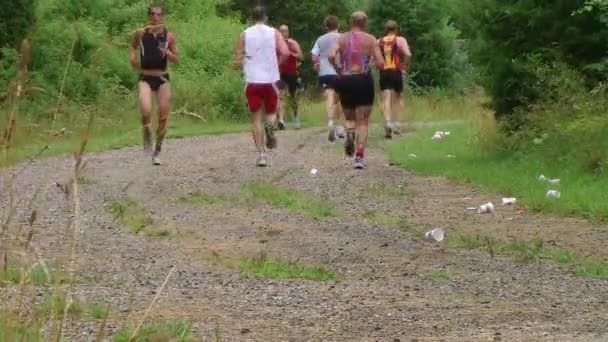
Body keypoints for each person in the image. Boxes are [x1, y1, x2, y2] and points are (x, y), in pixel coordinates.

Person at [233, 6, 289, 167]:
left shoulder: (244, 34)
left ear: (252, 18)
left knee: (256, 118)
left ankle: (261, 154)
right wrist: (276, 65)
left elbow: (237, 59)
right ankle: (270, 126)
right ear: (265, 17)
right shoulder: (275, 33)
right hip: (270, 80)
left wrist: (239, 65)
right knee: (271, 112)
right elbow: (285, 52)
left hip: (252, 81)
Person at [330, 11, 383, 169]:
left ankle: (350, 134)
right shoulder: (371, 39)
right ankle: (359, 156)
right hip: (363, 79)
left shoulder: (342, 38)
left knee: (350, 117)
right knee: (364, 120)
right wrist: (372, 64)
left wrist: (338, 67)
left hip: (346, 79)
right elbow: (380, 62)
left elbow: (331, 55)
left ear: (350, 22)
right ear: (364, 23)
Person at [129, 5, 178, 166]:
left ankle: (157, 150)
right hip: (145, 77)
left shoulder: (169, 35)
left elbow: (176, 58)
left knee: (163, 116)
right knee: (146, 110)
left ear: (163, 16)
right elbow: (133, 47)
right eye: (152, 14)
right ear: (148, 15)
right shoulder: (141, 33)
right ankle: (147, 130)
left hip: (162, 78)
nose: (155, 17)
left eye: (158, 14)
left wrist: (168, 54)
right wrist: (133, 58)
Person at [311, 15, 346, 142]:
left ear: (326, 27)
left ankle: (331, 123)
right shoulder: (342, 37)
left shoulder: (320, 39)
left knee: (330, 97)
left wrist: (316, 64)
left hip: (324, 72)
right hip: (339, 71)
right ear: (338, 26)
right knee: (342, 98)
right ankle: (340, 127)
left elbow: (314, 55)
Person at [378, 20, 412, 139]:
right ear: (396, 29)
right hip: (396, 71)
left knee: (386, 97)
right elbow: (408, 54)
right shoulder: (400, 40)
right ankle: (397, 124)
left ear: (386, 30)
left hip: (384, 72)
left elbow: (374, 59)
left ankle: (388, 123)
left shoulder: (379, 41)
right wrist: (404, 67)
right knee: (399, 97)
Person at [277, 25, 304, 130]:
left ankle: (296, 119)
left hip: (292, 74)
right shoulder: (277, 45)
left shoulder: (293, 43)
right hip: (281, 74)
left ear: (288, 32)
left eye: (285, 31)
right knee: (281, 96)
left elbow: (301, 57)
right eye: (281, 31)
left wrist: (291, 54)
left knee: (293, 97)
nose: (283, 33)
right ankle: (281, 121)